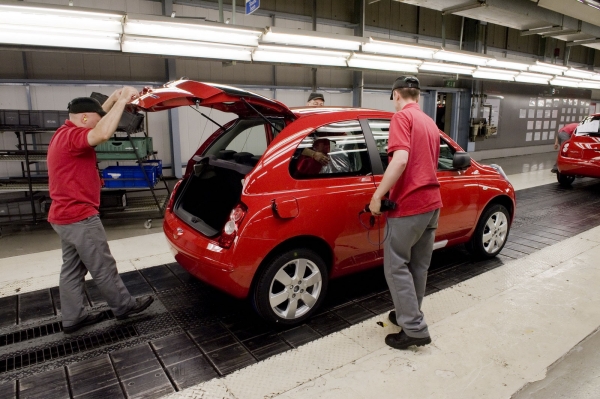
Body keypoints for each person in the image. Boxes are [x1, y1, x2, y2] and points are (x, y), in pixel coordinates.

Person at [47, 88, 154, 334]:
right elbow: (103, 132)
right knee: (103, 266)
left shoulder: (63, 133)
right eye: (95, 118)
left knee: (72, 269)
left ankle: (73, 318)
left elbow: (96, 120)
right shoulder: (74, 137)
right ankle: (124, 307)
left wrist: (114, 99)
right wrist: (125, 101)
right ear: (84, 119)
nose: (101, 120)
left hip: (64, 216)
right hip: (80, 217)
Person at [369, 76, 442, 350]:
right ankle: (407, 314)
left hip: (408, 205)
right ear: (418, 96)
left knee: (395, 266)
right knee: (418, 266)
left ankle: (413, 328)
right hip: (432, 204)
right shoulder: (430, 122)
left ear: (396, 95)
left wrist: (377, 196)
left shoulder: (401, 118)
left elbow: (400, 160)